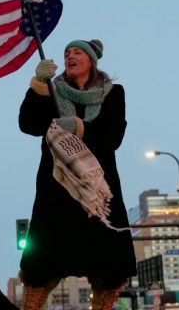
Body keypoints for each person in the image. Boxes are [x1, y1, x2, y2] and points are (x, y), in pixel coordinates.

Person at [19, 39, 136, 310]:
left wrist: (79, 127)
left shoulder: (113, 93)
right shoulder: (51, 91)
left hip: (96, 188)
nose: (70, 56)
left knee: (107, 259)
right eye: (66, 53)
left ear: (91, 61)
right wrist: (38, 86)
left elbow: (113, 136)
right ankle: (32, 303)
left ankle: (104, 302)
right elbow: (28, 124)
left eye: (77, 51)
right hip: (57, 185)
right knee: (43, 256)